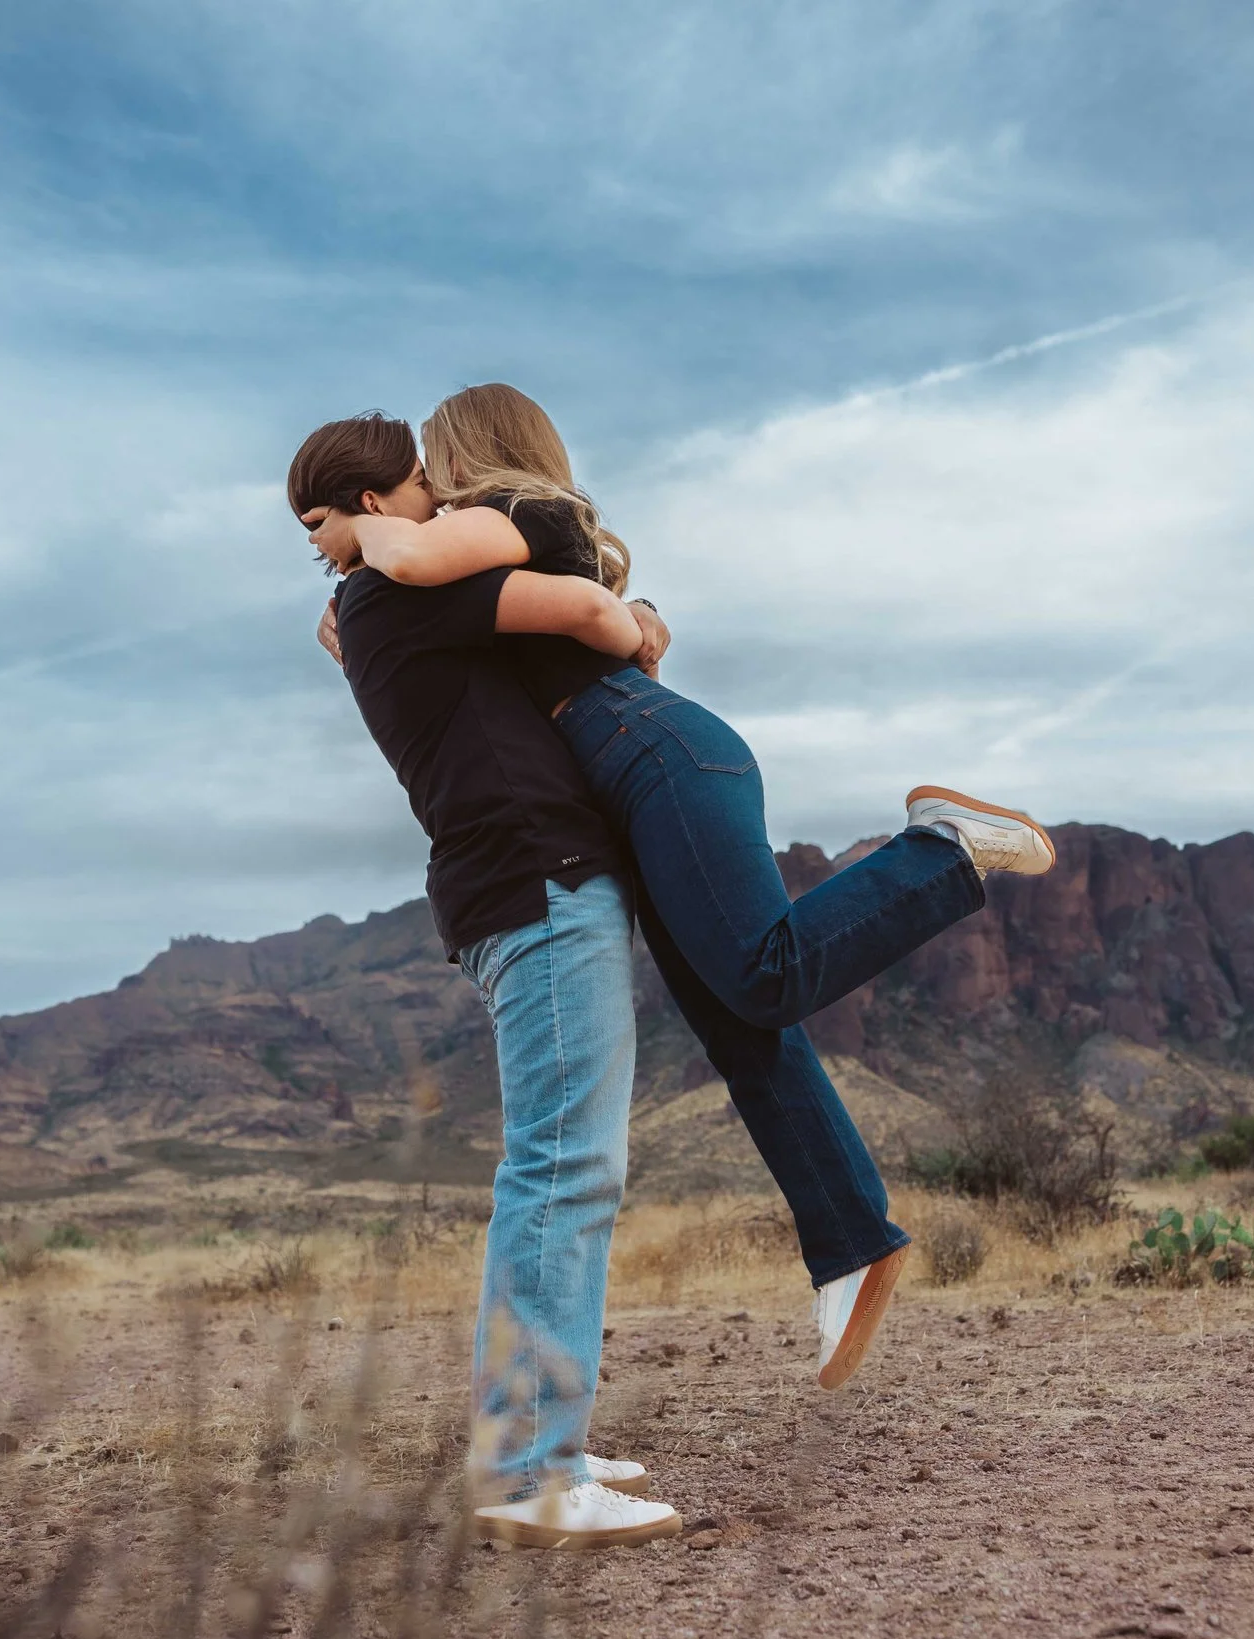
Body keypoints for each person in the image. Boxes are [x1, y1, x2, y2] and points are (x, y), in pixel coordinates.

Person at [304, 385, 1058, 1395]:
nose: (430, 491)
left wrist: (362, 534)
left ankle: (943, 848)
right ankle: (851, 1240)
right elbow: (441, 638)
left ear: (469, 457)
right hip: (633, 771)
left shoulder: (505, 513)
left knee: (764, 972)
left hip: (651, 751)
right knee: (735, 1017)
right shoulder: (494, 542)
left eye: (434, 467)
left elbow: (445, 570)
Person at [286, 414, 681, 1550]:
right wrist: (639, 620)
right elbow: (598, 622)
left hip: (517, 883)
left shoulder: (385, 600)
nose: (447, 495)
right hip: (538, 880)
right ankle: (528, 1471)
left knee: (567, 1167)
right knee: (563, 1169)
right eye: (427, 482)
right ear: (383, 500)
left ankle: (540, 1440)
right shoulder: (395, 588)